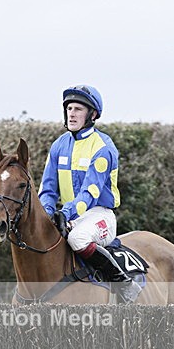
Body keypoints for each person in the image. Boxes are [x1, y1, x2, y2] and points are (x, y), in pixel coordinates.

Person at [38, 84, 142, 303]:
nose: (72, 113)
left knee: (77, 238)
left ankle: (124, 283)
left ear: (92, 115)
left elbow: (89, 193)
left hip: (98, 214)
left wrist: (65, 213)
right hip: (70, 216)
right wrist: (47, 214)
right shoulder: (58, 145)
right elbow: (47, 189)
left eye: (78, 109)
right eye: (69, 108)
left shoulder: (103, 147)